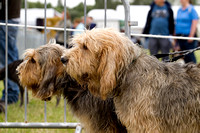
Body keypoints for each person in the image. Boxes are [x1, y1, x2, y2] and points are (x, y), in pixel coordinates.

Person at [0, 0, 21, 105]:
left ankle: (11, 94)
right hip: (9, 16)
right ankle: (13, 92)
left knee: (8, 58)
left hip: (6, 17)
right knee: (10, 56)